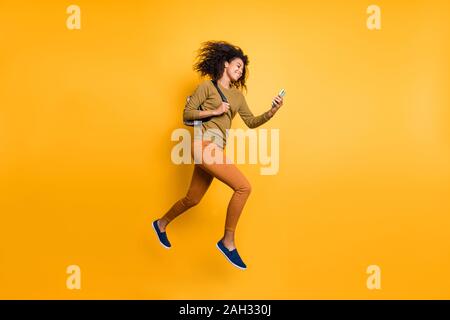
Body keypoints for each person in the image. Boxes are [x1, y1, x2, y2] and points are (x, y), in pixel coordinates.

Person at [152, 40, 284, 270]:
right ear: (225, 64)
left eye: (242, 68)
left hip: (215, 150)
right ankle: (227, 241)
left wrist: (272, 111)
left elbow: (251, 122)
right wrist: (214, 111)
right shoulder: (207, 87)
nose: (240, 69)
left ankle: (161, 224)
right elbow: (187, 113)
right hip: (203, 145)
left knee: (192, 199)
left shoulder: (238, 97)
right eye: (237, 65)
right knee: (244, 187)